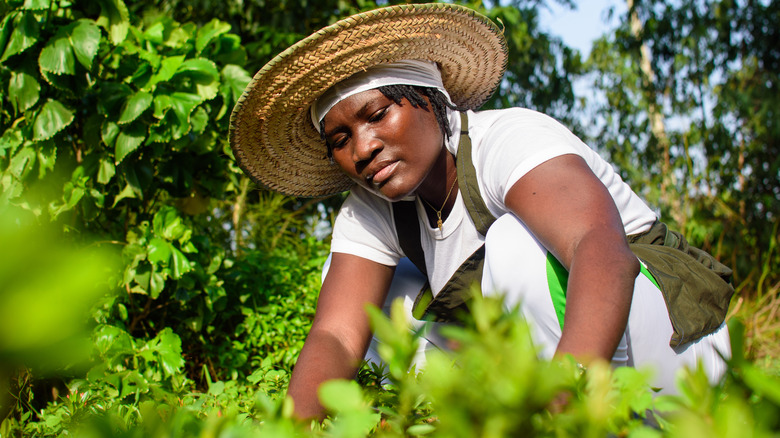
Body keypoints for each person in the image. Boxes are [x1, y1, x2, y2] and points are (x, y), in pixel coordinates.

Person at [229, 3, 734, 420]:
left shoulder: (506, 140)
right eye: (340, 139)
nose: (362, 149)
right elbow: (336, 335)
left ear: (431, 99)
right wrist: (286, 432)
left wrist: (560, 405)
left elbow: (602, 252)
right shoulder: (372, 209)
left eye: (378, 114)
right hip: (544, 373)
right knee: (370, 294)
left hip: (667, 352)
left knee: (514, 244)